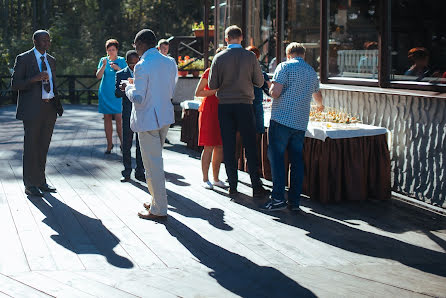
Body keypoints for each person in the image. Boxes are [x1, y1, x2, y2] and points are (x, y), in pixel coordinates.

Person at [261, 42, 324, 212]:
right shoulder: (311, 71)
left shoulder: (284, 67)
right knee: (296, 162)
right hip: (300, 122)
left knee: (277, 161)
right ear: (303, 55)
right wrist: (319, 106)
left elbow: (275, 93)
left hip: (281, 119)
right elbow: (318, 97)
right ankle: (294, 201)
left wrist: (268, 83)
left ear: (288, 54)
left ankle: (278, 199)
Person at [122, 29, 177, 220]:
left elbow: (138, 97)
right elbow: (168, 88)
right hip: (164, 116)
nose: (135, 49)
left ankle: (159, 209)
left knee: (152, 165)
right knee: (155, 162)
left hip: (148, 120)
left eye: (136, 45)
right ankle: (156, 200)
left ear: (142, 44)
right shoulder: (169, 62)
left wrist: (127, 87)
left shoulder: (142, 65)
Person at [208, 25, 268, 197]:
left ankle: (232, 184)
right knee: (250, 144)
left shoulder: (219, 57)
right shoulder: (250, 57)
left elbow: (212, 85)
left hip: (225, 105)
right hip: (245, 104)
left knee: (228, 145)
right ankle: (256, 185)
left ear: (226, 39)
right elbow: (259, 81)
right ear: (241, 38)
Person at [11, 30, 63, 197]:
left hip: (49, 109)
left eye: (48, 39)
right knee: (31, 147)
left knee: (43, 147)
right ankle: (29, 184)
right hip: (32, 110)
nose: (47, 42)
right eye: (43, 40)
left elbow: (53, 83)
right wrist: (35, 78)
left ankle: (41, 181)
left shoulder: (52, 60)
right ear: (35, 41)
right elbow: (15, 84)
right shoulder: (23, 58)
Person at [195, 47, 228, 190]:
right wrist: (216, 91)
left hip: (223, 111)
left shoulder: (230, 73)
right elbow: (198, 92)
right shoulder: (209, 72)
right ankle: (205, 178)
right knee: (208, 146)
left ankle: (216, 178)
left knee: (220, 146)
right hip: (209, 111)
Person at [115, 50, 145, 183]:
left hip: (141, 112)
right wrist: (126, 88)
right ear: (126, 62)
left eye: (136, 62)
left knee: (141, 144)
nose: (134, 66)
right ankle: (127, 171)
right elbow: (116, 93)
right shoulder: (121, 74)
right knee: (126, 144)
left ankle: (140, 171)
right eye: (131, 63)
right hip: (127, 113)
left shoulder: (143, 72)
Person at [96, 39, 127, 154]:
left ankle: (123, 144)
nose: (111, 52)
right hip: (105, 93)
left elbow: (127, 74)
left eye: (113, 50)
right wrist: (103, 66)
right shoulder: (103, 60)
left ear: (117, 50)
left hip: (117, 94)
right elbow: (98, 76)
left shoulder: (122, 60)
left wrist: (117, 69)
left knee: (119, 119)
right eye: (109, 50)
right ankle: (109, 144)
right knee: (107, 119)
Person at [246, 46, 271, 175]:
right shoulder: (243, 72)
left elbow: (269, 92)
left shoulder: (262, 73)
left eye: (256, 57)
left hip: (256, 108)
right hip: (247, 107)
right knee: (247, 138)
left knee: (256, 138)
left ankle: (253, 167)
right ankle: (247, 166)